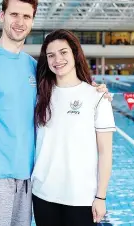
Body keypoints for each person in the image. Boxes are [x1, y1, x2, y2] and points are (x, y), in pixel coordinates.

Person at [0, 0, 111, 226]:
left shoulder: (33, 67)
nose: (20, 22)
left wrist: (94, 90)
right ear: (2, 16)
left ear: (32, 21)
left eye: (26, 17)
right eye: (14, 15)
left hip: (30, 181)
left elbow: (65, 89)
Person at [31, 29, 116, 226]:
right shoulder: (39, 95)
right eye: (51, 55)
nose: (57, 59)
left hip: (81, 197)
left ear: (75, 55)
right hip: (43, 193)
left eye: (63, 52)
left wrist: (101, 197)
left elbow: (105, 153)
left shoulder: (97, 97)